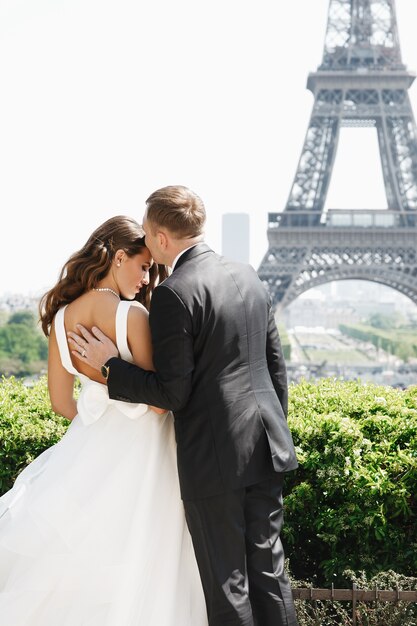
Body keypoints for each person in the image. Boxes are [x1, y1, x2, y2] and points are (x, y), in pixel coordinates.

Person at [68, 186, 299, 626]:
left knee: (228, 583)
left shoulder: (175, 293)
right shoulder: (249, 274)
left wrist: (111, 366)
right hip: (267, 444)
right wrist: (273, 431)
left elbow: (173, 393)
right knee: (270, 574)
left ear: (159, 237)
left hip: (215, 459)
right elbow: (275, 370)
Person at [0, 215, 208, 626]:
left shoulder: (60, 319)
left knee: (82, 561)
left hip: (88, 449)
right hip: (147, 457)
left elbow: (61, 404)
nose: (148, 278)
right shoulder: (132, 316)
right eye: (144, 266)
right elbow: (160, 401)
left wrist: (101, 416)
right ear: (118, 257)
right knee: (148, 558)